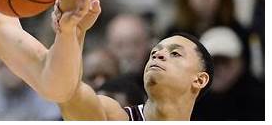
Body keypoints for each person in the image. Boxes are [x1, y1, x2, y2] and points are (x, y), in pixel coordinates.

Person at [58, 33, 214, 120]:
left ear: (199, 80)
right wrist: (73, 32)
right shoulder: (115, 115)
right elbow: (71, 99)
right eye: (154, 52)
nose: (158, 54)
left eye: (175, 53)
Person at [193, 27, 264, 120]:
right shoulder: (190, 102)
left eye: (225, 61)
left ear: (241, 62)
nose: (217, 69)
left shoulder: (260, 99)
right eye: (210, 62)